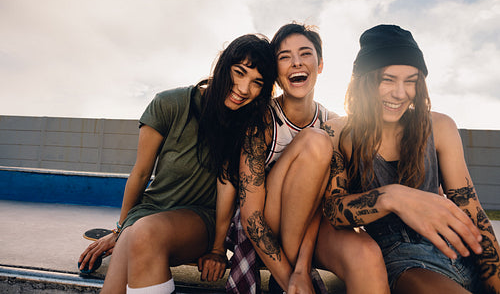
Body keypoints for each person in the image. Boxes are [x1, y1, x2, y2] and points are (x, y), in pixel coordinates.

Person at [78, 33, 277, 294]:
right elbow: (140, 174)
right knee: (130, 245)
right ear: (223, 64)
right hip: (149, 212)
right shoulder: (169, 104)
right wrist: (119, 229)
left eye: (256, 83)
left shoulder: (247, 125)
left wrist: (218, 249)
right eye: (239, 72)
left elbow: (226, 187)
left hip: (199, 220)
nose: (243, 88)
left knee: (143, 233)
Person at [322, 24, 500, 293]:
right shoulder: (338, 132)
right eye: (388, 79)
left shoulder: (439, 127)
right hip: (403, 258)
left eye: (411, 81)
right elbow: (333, 210)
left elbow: (472, 210)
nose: (400, 93)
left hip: (465, 252)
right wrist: (392, 197)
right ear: (365, 80)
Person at [217, 23, 389, 294]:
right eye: (284, 57)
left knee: (365, 252)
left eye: (305, 54)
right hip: (266, 220)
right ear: (276, 71)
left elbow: (322, 206)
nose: (296, 62)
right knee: (316, 141)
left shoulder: (332, 122)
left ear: (320, 65)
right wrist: (291, 279)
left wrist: (301, 269)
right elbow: (251, 216)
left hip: (312, 226)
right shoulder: (262, 121)